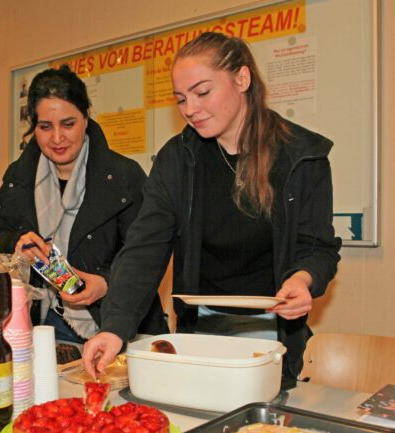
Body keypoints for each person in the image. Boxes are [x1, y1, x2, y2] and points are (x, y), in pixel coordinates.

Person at [83, 32, 341, 387]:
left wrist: (302, 279)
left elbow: (318, 248)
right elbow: (144, 249)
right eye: (181, 99)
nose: (190, 109)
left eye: (202, 92)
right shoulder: (178, 159)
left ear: (242, 79)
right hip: (199, 330)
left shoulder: (301, 155)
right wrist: (115, 327)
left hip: (273, 332)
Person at [0, 65, 168, 349]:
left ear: (86, 118)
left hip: (111, 324)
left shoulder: (123, 176)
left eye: (68, 124)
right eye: (45, 127)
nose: (57, 138)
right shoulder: (19, 176)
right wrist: (17, 243)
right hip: (41, 323)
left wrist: (106, 283)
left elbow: (146, 254)